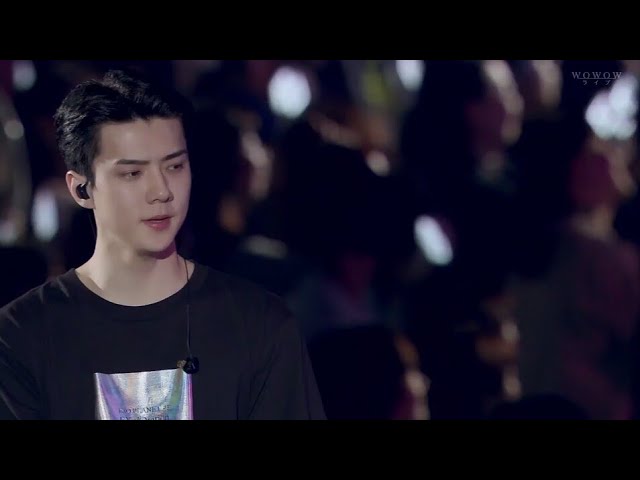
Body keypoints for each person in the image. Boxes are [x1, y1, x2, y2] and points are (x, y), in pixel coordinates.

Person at [0, 69, 326, 420]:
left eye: (174, 167)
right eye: (133, 173)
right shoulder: (22, 336)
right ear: (82, 189)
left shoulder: (260, 324)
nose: (161, 191)